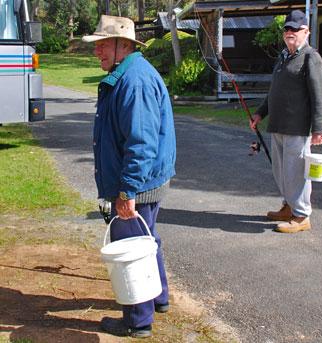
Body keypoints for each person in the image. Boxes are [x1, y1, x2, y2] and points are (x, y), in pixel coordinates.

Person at [82, 15, 176, 338]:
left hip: (139, 183)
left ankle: (137, 320)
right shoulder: (125, 74)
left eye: (103, 45)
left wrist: (127, 192)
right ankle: (159, 298)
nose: (98, 53)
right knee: (148, 237)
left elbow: (141, 142)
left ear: (123, 46)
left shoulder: (133, 81)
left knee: (133, 244)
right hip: (145, 181)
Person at [250, 10, 322, 233]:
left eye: (295, 29)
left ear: (306, 31)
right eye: (287, 29)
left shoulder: (311, 58)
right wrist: (260, 113)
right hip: (277, 125)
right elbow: (275, 91)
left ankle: (301, 215)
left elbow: (319, 95)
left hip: (298, 127)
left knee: (296, 172)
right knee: (282, 171)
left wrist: (318, 127)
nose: (290, 32)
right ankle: (288, 206)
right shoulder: (284, 56)